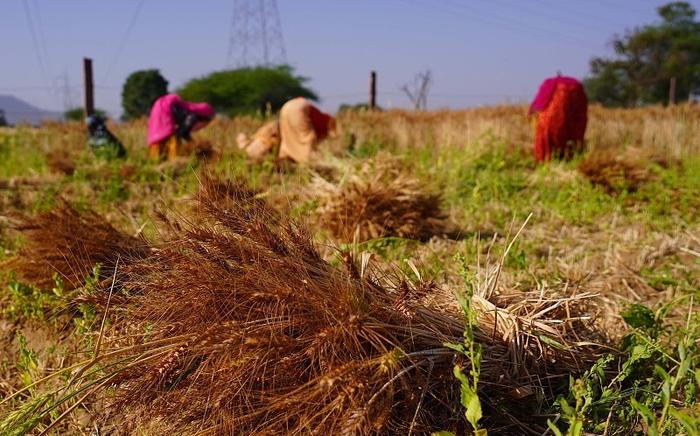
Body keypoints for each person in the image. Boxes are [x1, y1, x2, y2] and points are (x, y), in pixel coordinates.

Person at [238, 97, 336, 163]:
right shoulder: (329, 122)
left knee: (288, 139)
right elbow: (326, 135)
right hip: (298, 109)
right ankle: (308, 163)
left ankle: (287, 158)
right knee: (306, 144)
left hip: (287, 107)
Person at [529, 75, 588, 162]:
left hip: (551, 124)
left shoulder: (550, 89)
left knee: (548, 136)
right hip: (572, 129)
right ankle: (571, 158)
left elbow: (538, 105)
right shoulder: (576, 87)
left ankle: (549, 160)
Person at [147, 94, 214, 161]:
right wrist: (194, 144)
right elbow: (183, 132)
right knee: (173, 157)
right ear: (203, 119)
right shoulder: (191, 117)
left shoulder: (181, 106)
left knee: (157, 160)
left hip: (154, 135)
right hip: (166, 131)